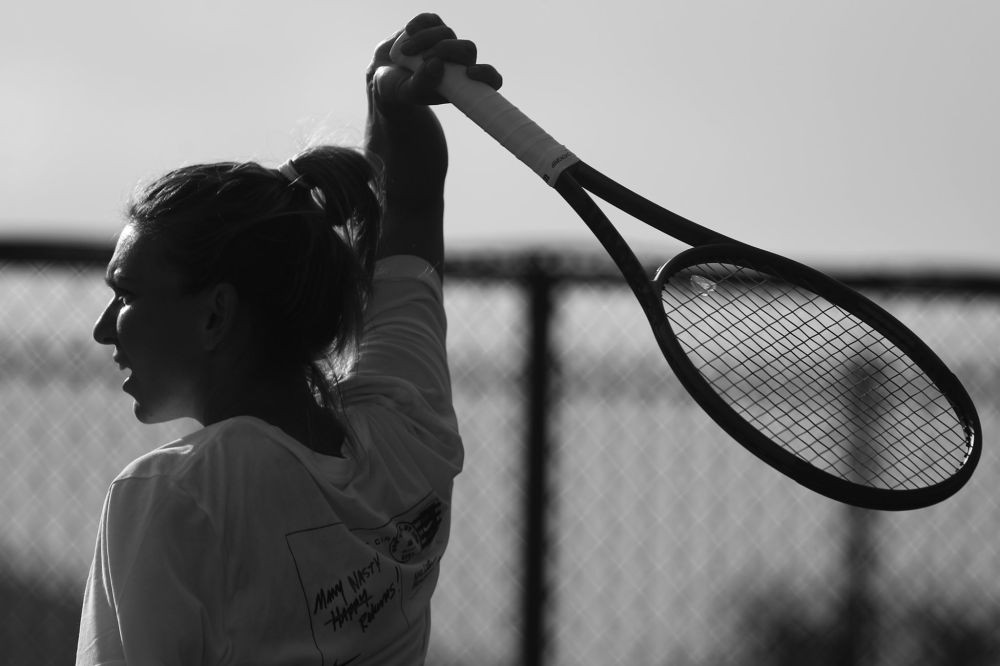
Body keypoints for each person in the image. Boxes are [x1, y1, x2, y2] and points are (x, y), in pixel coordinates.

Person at [75, 13, 501, 665]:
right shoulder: (409, 438)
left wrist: (387, 90)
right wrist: (389, 99)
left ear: (216, 315)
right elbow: (411, 206)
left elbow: (407, 200)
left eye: (127, 294)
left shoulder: (175, 494)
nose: (104, 327)